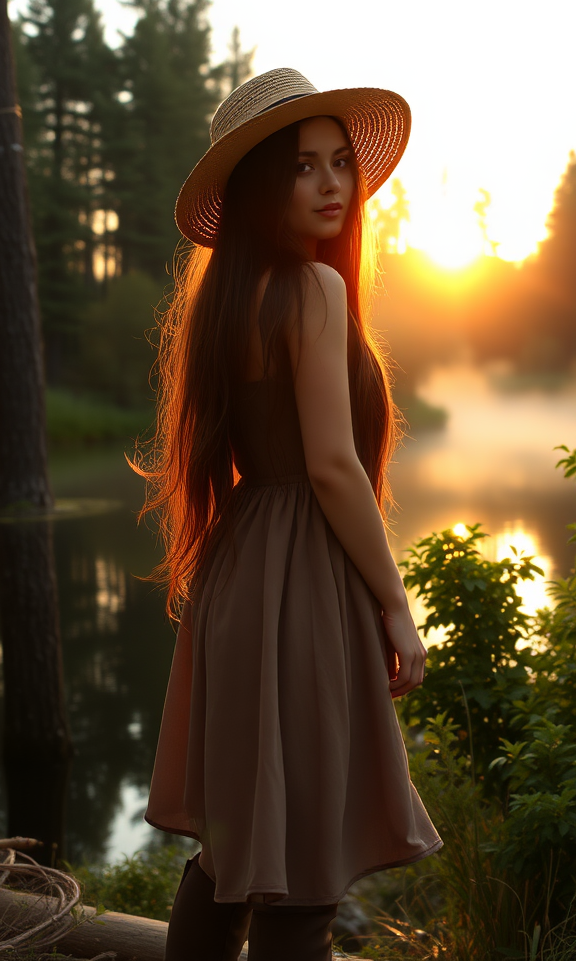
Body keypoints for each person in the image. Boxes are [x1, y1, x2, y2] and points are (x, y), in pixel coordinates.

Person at [138, 68, 443, 961]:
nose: (333, 183)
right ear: (264, 185)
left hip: (241, 574)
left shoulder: (228, 300)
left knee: (234, 850)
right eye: (304, 166)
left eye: (341, 162)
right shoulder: (313, 291)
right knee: (301, 866)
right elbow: (335, 469)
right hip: (303, 580)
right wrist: (397, 604)